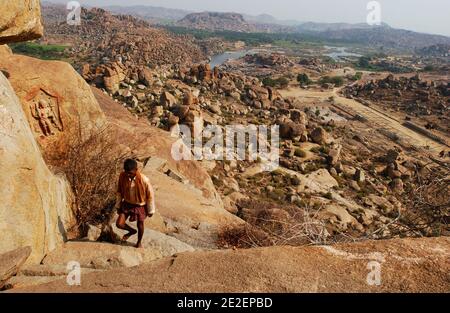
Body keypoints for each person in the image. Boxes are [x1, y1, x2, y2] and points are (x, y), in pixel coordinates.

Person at [114, 159, 156, 248]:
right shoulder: (122, 176)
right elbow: (119, 192)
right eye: (126, 172)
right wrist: (118, 205)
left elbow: (150, 195)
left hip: (140, 205)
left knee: (140, 224)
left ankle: (139, 242)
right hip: (127, 203)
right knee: (119, 224)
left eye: (130, 173)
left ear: (136, 170)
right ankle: (132, 231)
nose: (128, 175)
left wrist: (151, 210)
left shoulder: (144, 180)